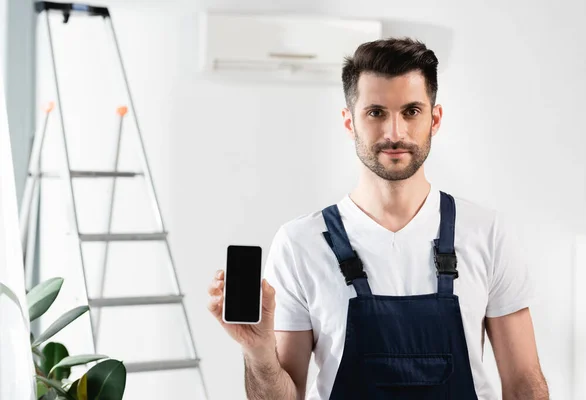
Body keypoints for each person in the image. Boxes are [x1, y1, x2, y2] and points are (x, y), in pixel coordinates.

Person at [207, 37, 548, 399]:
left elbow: (524, 385)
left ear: (435, 119)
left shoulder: (487, 233)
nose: (394, 133)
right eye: (376, 113)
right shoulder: (300, 244)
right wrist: (258, 353)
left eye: (411, 111)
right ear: (349, 121)